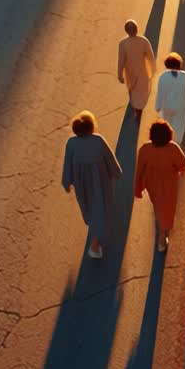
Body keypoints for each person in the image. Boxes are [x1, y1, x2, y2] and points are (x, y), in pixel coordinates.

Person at [61, 110, 121, 259]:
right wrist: (116, 172)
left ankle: (95, 235)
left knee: (89, 208)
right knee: (101, 209)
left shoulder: (71, 143)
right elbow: (110, 158)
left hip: (82, 186)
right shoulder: (98, 141)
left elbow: (67, 164)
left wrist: (67, 182)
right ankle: (94, 246)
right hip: (100, 183)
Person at [134, 119, 185, 252]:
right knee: (167, 209)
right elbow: (182, 165)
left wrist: (137, 188)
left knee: (158, 206)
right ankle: (162, 237)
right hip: (169, 184)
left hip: (152, 184)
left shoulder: (145, 149)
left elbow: (139, 170)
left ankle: (162, 229)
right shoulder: (173, 148)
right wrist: (180, 171)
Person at [155, 52, 185, 143]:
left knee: (166, 127)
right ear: (179, 64)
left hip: (166, 108)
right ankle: (175, 145)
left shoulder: (162, 76)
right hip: (180, 108)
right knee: (178, 128)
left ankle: (166, 143)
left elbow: (160, 93)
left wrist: (158, 106)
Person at [117, 20, 155, 120]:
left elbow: (121, 61)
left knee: (132, 90)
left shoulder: (123, 44)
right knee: (142, 91)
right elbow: (151, 57)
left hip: (130, 73)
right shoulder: (143, 41)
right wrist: (153, 69)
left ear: (126, 31)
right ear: (137, 29)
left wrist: (120, 75)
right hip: (143, 71)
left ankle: (137, 109)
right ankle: (139, 108)